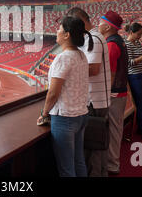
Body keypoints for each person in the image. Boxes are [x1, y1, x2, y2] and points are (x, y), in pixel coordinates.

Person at [37, 16, 93, 177]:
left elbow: (54, 92)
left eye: (60, 29)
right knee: (78, 161)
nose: (57, 31)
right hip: (81, 115)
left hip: (65, 117)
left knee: (66, 168)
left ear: (67, 34)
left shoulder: (63, 58)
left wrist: (44, 113)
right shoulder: (81, 56)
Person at [67, 7, 111, 177]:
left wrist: (68, 71)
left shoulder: (94, 38)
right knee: (96, 146)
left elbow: (93, 69)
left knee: (93, 148)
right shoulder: (93, 37)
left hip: (95, 101)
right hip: (96, 99)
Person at [98, 10, 128, 176]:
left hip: (114, 94)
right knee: (116, 128)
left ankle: (112, 165)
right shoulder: (118, 41)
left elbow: (109, 73)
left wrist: (103, 94)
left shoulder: (111, 44)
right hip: (119, 93)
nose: (98, 24)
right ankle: (112, 162)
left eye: (101, 22)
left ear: (108, 27)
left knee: (114, 130)